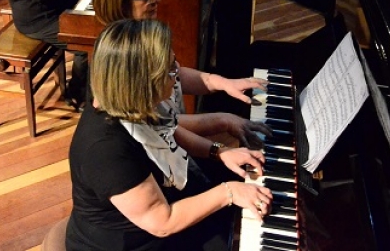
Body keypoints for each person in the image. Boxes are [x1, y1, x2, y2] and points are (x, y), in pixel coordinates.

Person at [66, 19, 272, 251]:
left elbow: (166, 132)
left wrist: (218, 151)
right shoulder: (106, 150)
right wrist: (229, 192)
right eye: (170, 70)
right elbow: (162, 221)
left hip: (158, 205)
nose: (177, 75)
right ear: (142, 83)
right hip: (128, 241)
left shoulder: (123, 97)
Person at [93, 0, 271, 153]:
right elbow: (160, 124)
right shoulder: (121, 56)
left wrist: (222, 83)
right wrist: (223, 124)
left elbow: (176, 74)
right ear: (118, 0)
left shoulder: (146, 35)